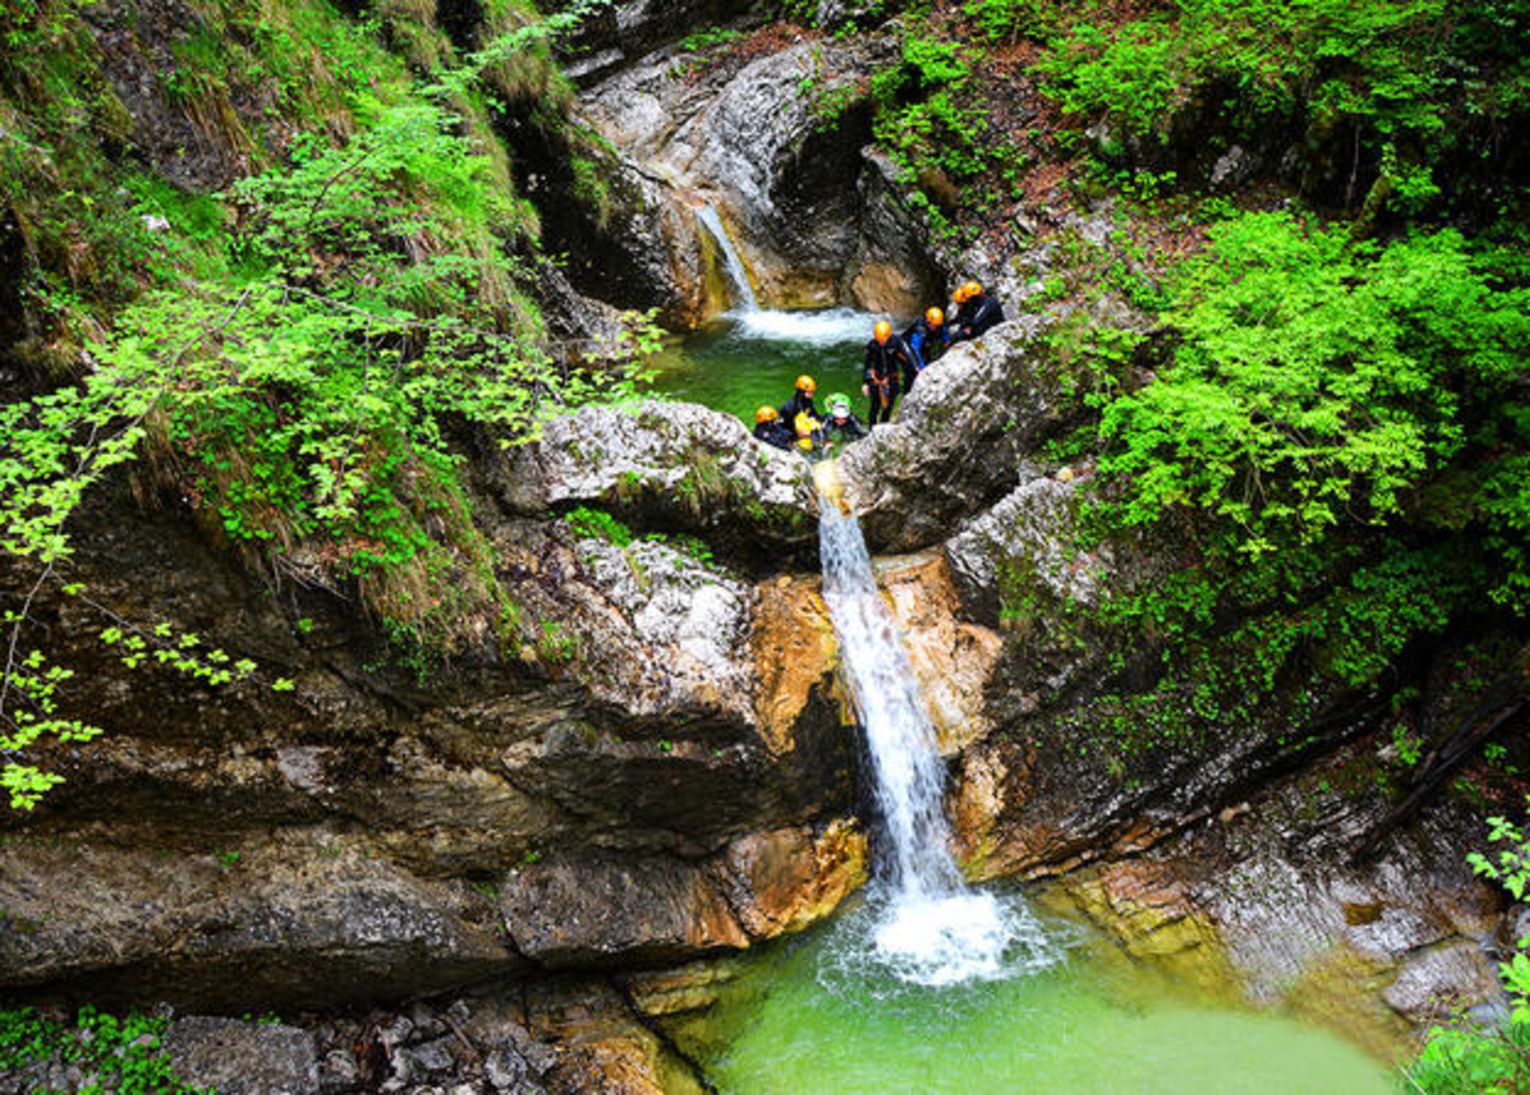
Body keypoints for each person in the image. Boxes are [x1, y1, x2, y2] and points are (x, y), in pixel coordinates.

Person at [861, 320, 912, 427]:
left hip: (891, 378)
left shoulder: (897, 342)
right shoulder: (872, 345)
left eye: (882, 340)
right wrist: (865, 382)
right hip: (876, 379)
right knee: (875, 406)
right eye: (878, 340)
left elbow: (906, 359)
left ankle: (883, 426)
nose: (881, 343)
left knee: (888, 406)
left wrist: (912, 372)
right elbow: (868, 364)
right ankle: (871, 429)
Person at [902, 306, 950, 381]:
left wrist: (947, 340)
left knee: (928, 357)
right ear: (928, 322)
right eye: (934, 325)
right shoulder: (920, 330)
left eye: (937, 326)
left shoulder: (938, 323)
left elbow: (943, 330)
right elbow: (915, 349)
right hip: (908, 347)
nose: (935, 327)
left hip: (924, 343)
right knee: (912, 370)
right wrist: (921, 366)